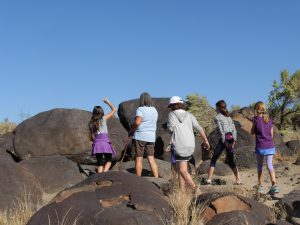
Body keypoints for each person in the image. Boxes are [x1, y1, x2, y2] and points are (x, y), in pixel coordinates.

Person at [167, 96, 210, 191]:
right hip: (190, 145)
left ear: (173, 105)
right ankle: (181, 192)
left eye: (170, 106)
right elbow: (199, 128)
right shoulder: (190, 115)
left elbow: (171, 129)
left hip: (179, 145)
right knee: (181, 169)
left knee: (182, 170)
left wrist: (168, 127)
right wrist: (205, 141)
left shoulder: (171, 115)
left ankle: (195, 190)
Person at [207, 100, 241, 184]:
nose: (215, 109)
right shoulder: (229, 117)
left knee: (214, 159)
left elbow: (222, 131)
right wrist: (234, 141)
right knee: (231, 160)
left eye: (216, 107)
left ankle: (209, 180)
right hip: (231, 138)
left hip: (224, 140)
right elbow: (234, 130)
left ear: (218, 108)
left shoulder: (217, 117)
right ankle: (238, 179)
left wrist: (224, 141)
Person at [251, 101, 279, 195]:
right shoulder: (269, 119)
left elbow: (252, 132)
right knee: (270, 165)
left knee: (260, 167)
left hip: (260, 147)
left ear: (256, 109)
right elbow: (271, 134)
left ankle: (260, 186)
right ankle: (274, 185)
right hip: (270, 146)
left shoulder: (255, 119)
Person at [128, 92, 159, 178]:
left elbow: (137, 122)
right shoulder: (154, 110)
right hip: (151, 137)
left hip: (140, 136)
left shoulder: (140, 109)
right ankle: (156, 178)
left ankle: (138, 178)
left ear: (141, 100)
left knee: (139, 158)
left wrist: (131, 130)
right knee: (151, 158)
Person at [89, 98, 117, 173]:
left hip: (97, 144)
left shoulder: (91, 123)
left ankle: (99, 177)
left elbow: (91, 137)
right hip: (105, 143)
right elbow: (114, 110)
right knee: (109, 160)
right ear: (101, 112)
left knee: (100, 163)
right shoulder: (103, 119)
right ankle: (104, 173)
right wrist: (108, 102)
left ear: (94, 113)